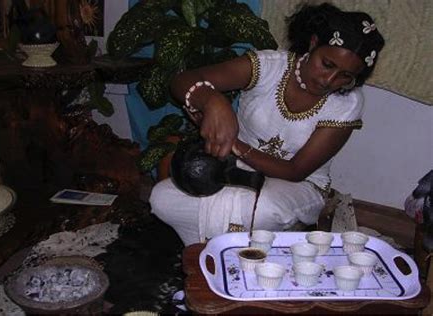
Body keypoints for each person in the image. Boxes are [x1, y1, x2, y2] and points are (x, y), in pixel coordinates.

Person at [150, 3, 385, 246]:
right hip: (235, 167)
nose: (329, 80)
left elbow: (296, 170)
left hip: (299, 185)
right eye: (327, 64)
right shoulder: (269, 66)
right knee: (162, 198)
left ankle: (218, 252)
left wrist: (234, 144)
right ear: (313, 43)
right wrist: (212, 101)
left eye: (345, 76)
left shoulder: (347, 103)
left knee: (263, 208)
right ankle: (216, 250)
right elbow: (182, 81)